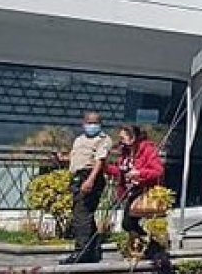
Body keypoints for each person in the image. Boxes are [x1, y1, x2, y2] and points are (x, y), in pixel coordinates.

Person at [59, 112, 112, 265]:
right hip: (77, 176)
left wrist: (90, 180)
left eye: (94, 122)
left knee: (81, 214)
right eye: (89, 122)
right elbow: (75, 159)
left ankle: (81, 251)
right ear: (83, 123)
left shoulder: (103, 140)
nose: (91, 125)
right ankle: (92, 250)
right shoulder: (79, 140)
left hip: (90, 177)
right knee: (84, 213)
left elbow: (99, 162)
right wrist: (62, 159)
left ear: (100, 124)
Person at [105, 125, 166, 240]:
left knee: (129, 222)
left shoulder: (147, 150)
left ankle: (148, 243)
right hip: (131, 192)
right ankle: (141, 243)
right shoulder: (126, 153)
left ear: (132, 138)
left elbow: (158, 171)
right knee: (127, 224)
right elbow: (121, 172)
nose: (120, 141)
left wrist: (139, 173)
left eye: (123, 138)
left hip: (144, 191)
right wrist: (106, 168)